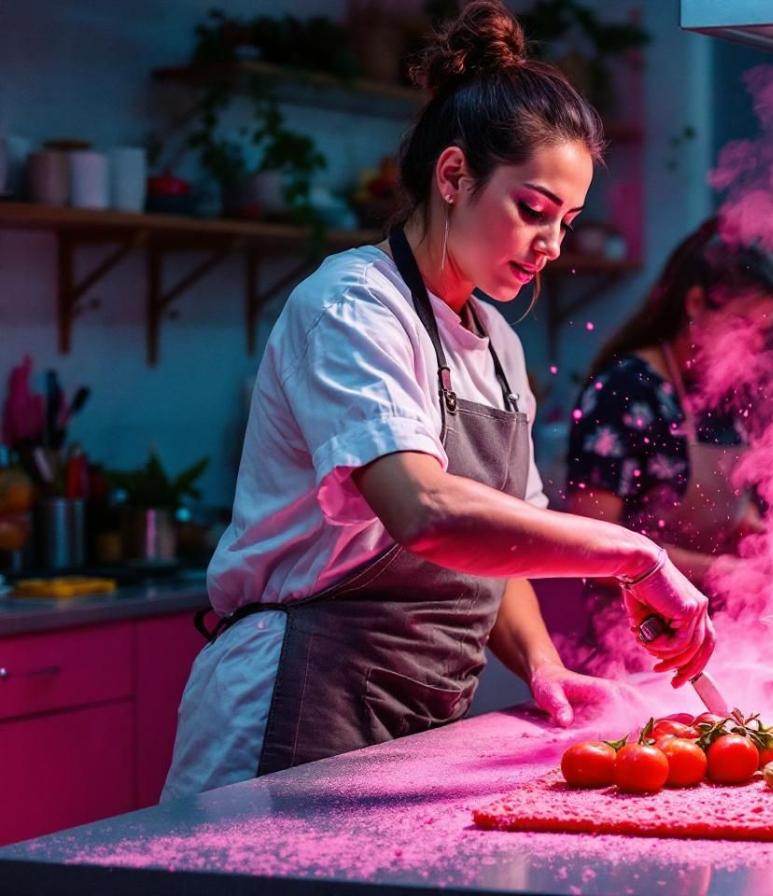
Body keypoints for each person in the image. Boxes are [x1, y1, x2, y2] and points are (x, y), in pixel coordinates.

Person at [161, 0, 713, 801]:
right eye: (533, 210)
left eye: (568, 221)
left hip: (418, 723)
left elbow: (495, 558)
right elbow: (423, 508)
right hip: (293, 705)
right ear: (453, 176)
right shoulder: (352, 306)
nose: (552, 246)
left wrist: (544, 665)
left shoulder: (498, 342)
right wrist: (634, 554)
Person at [566, 218, 773, 592]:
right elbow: (593, 552)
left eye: (763, 332)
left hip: (725, 627)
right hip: (635, 633)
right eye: (741, 325)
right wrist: (719, 573)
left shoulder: (730, 394)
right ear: (696, 303)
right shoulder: (625, 391)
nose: (753, 346)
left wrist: (757, 535)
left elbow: (733, 504)